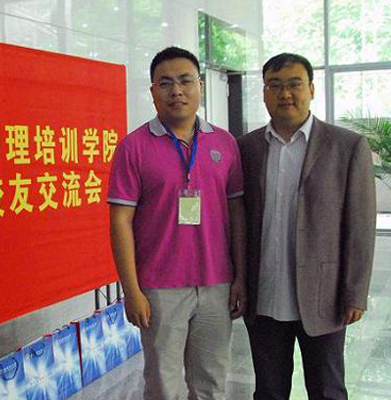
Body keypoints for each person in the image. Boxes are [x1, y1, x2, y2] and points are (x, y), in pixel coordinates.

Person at [107, 46, 247, 400]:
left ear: (200, 86)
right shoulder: (133, 147)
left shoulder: (225, 143)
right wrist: (132, 290)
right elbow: (120, 221)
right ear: (153, 91)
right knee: (163, 386)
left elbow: (237, 214)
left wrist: (241, 277)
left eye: (185, 81)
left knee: (211, 384)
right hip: (158, 288)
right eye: (165, 83)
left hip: (216, 283)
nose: (177, 91)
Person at [238, 53, 376, 400]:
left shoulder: (347, 146)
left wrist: (355, 292)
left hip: (324, 296)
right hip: (264, 296)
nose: (285, 94)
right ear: (264, 92)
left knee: (327, 389)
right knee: (269, 391)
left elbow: (360, 227)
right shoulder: (246, 148)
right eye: (275, 85)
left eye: (294, 84)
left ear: (311, 89)